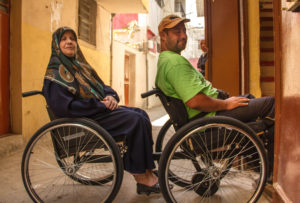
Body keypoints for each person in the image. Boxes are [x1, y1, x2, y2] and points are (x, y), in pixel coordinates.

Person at [42, 27, 160, 195]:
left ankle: (147, 169)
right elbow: (65, 108)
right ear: (56, 45)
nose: (69, 42)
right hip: (85, 120)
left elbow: (102, 87)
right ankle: (141, 177)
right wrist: (100, 106)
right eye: (64, 39)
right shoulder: (55, 74)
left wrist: (111, 97)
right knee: (135, 121)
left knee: (141, 114)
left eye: (72, 38)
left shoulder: (80, 67)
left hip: (97, 113)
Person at [155, 14, 274, 163]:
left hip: (206, 117)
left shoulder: (165, 60)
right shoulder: (174, 63)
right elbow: (195, 101)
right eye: (177, 32)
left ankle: (256, 161)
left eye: (184, 31)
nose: (183, 35)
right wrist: (226, 104)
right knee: (270, 105)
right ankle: (270, 170)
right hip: (208, 121)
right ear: (163, 36)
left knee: (248, 98)